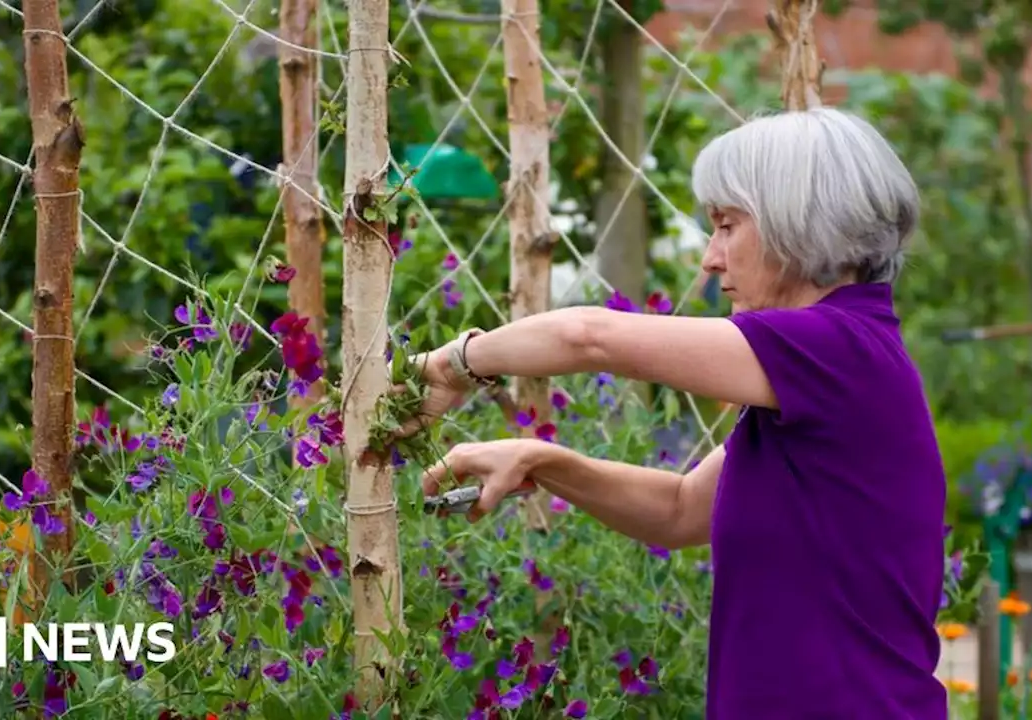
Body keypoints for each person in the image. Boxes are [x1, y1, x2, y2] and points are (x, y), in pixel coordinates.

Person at [399, 107, 948, 719]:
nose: (710, 259)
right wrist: (541, 459)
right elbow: (681, 510)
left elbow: (589, 337)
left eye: (726, 226)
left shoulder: (838, 350)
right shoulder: (824, 371)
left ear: (801, 224)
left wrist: (454, 365)